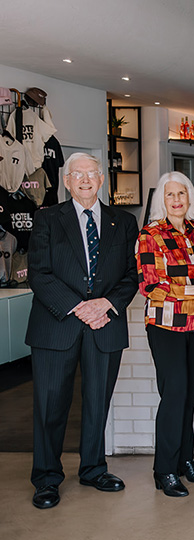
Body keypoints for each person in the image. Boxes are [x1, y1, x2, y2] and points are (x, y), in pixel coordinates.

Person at [26, 152, 139, 509]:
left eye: (92, 174)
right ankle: (46, 478)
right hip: (56, 325)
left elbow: (131, 276)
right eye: (78, 174)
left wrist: (104, 305)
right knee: (49, 406)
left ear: (102, 179)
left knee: (96, 403)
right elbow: (39, 273)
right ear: (67, 181)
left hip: (104, 324)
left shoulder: (123, 221)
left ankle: (93, 468)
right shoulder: (46, 219)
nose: (85, 180)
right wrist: (80, 308)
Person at [136, 171, 194, 497]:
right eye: (170, 195)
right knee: (174, 395)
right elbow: (151, 286)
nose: (176, 200)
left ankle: (185, 460)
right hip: (166, 326)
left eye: (181, 194)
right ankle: (164, 470)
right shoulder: (150, 235)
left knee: (189, 397)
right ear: (162, 200)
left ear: (190, 197)